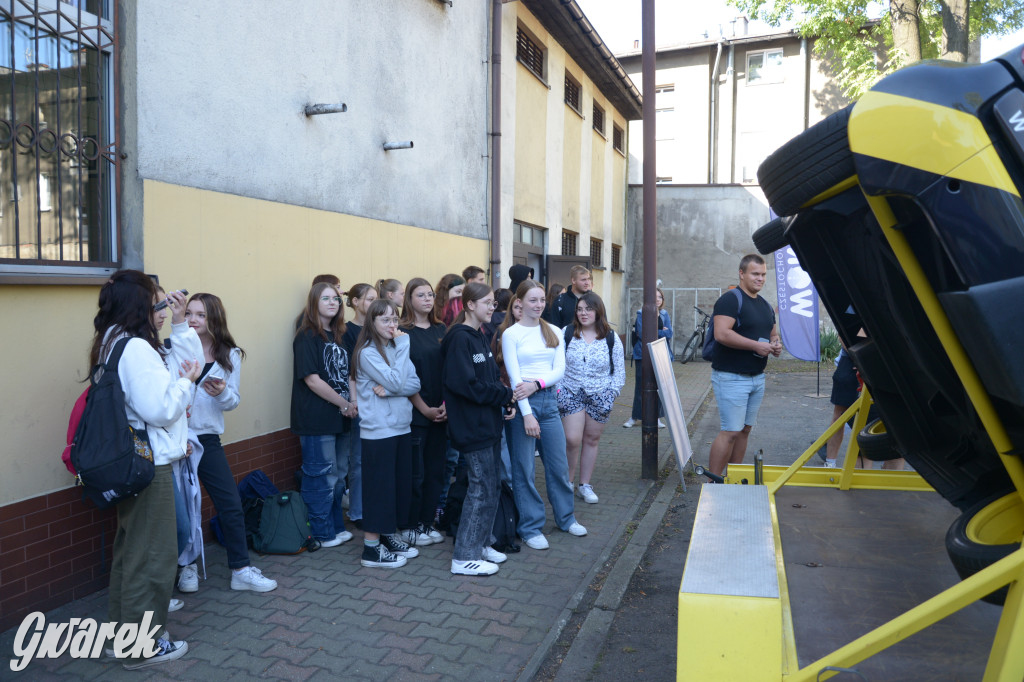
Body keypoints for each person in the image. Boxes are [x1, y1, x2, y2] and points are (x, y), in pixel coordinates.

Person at [90, 270, 200, 668]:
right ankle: (142, 645)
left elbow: (183, 360)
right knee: (153, 556)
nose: (162, 309)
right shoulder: (136, 348)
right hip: (149, 463)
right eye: (156, 303)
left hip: (131, 461)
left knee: (131, 552)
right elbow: (160, 408)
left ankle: (122, 637)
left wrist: (181, 322)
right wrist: (186, 385)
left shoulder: (111, 340)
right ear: (139, 306)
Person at [176, 293, 277, 593]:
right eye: (190, 313)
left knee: (231, 505)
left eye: (201, 315)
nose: (193, 320)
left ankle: (241, 569)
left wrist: (220, 392)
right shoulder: (176, 347)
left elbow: (232, 402)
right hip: (174, 438)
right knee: (182, 508)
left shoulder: (229, 354)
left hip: (206, 437)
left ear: (214, 319)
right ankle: (186, 567)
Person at [502, 280, 587, 549]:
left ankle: (566, 518)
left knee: (558, 465)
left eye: (541, 300)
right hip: (523, 407)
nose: (538, 305)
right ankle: (530, 527)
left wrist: (537, 384)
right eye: (532, 300)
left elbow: (559, 370)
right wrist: (526, 415)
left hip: (549, 403)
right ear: (520, 303)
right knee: (524, 469)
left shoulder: (553, 331)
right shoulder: (511, 334)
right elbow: (516, 379)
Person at [441, 283, 516, 575]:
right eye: (486, 302)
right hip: (472, 427)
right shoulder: (460, 339)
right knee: (480, 488)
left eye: (493, 303)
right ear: (469, 305)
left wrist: (504, 398)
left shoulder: (480, 336)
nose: (492, 307)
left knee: (492, 485)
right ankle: (464, 556)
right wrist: (503, 395)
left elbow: (490, 378)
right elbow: (466, 385)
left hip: (488, 424)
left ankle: (482, 542)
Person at [352, 299, 422, 568]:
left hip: (401, 427)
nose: (393, 325)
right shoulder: (367, 353)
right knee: (379, 490)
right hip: (378, 431)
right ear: (372, 322)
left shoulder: (394, 347)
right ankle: (371, 550)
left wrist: (393, 388)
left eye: (395, 319)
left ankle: (387, 536)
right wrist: (396, 377)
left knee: (395, 488)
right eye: (386, 320)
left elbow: (414, 382)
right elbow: (397, 379)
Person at [291, 282, 358, 548]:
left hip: (342, 415)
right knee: (321, 475)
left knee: (340, 475)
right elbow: (312, 380)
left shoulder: (340, 335)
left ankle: (335, 526)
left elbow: (350, 373)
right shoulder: (306, 336)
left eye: (336, 299)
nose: (333, 302)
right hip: (316, 419)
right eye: (326, 298)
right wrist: (344, 403)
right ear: (313, 303)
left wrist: (351, 402)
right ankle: (320, 531)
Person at [708, 255, 782, 477]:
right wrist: (755, 347)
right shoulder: (730, 300)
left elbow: (773, 334)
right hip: (731, 377)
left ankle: (733, 477)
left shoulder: (765, 305)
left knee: (744, 431)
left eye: (763, 275)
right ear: (742, 273)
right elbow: (721, 334)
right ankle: (713, 482)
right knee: (730, 431)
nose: (760, 279)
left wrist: (775, 346)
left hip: (756, 378)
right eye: (755, 274)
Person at [559, 292, 626, 504]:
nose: (583, 313)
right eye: (579, 309)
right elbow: (557, 365)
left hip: (600, 395)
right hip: (571, 392)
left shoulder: (610, 337)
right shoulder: (567, 333)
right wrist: (559, 391)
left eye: (588, 309)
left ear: (598, 311)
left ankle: (584, 485)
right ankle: (567, 482)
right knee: (572, 439)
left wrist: (611, 394)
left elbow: (620, 372)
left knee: (591, 440)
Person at [399, 278, 448, 546]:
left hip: (441, 413)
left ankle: (426, 523)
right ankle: (409, 525)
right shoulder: (402, 332)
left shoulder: (441, 329)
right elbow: (404, 377)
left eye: (430, 294)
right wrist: (425, 409)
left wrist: (443, 407)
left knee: (435, 472)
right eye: (421, 295)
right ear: (409, 299)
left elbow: (451, 370)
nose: (428, 299)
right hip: (415, 414)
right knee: (414, 474)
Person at [341, 282, 377, 527]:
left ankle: (375, 506)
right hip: (359, 402)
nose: (373, 303)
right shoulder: (346, 331)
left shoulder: (379, 327)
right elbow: (348, 370)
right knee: (359, 460)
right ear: (355, 301)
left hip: (381, 400)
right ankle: (357, 511)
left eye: (376, 298)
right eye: (368, 299)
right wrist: (352, 401)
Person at [624, 287, 672, 429]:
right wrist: (660, 331)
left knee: (659, 387)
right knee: (641, 387)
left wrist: (656, 332)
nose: (657, 299)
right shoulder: (641, 313)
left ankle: (656, 418)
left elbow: (670, 333)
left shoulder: (664, 314)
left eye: (660, 297)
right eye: (654, 296)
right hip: (643, 354)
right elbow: (642, 333)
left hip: (660, 354)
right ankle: (635, 417)